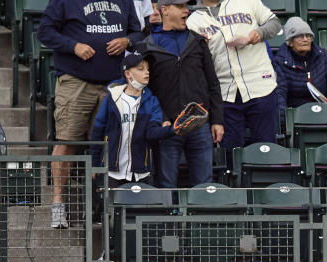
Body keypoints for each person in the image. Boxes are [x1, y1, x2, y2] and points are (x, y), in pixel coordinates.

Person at [38, 0, 143, 228]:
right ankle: (58, 204)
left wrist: (127, 41)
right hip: (76, 80)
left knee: (111, 145)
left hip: (113, 83)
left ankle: (101, 208)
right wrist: (73, 45)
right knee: (67, 140)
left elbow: (138, 33)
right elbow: (44, 31)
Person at [137, 0, 225, 189]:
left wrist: (217, 120)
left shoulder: (198, 41)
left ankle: (201, 218)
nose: (187, 11)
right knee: (166, 184)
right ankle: (169, 218)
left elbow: (213, 83)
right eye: (181, 7)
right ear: (165, 10)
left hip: (200, 124)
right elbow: (145, 89)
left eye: (187, 7)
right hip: (167, 125)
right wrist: (160, 118)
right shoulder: (147, 45)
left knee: (204, 183)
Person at [185, 0, 282, 150]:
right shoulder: (193, 22)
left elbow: (275, 23)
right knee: (230, 153)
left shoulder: (246, 2)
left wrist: (260, 33)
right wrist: (200, 47)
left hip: (260, 86)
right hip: (225, 93)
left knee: (266, 149)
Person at [90, 53, 175, 186]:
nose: (146, 72)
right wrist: (94, 165)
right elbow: (97, 134)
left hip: (141, 171)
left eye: (147, 69)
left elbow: (152, 134)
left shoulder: (152, 101)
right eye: (141, 69)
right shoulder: (111, 99)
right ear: (128, 74)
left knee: (139, 206)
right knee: (111, 206)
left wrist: (174, 129)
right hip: (112, 170)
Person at [272, 17, 327, 109]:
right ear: (290, 42)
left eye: (308, 36)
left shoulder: (322, 55)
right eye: (300, 36)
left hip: (324, 108)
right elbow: (280, 94)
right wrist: (285, 120)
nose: (305, 39)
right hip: (297, 112)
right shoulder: (280, 62)